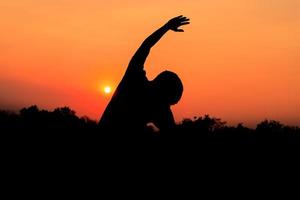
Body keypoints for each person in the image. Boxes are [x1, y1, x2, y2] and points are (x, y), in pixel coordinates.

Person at [99, 15, 190, 135]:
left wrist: (166, 27)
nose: (167, 106)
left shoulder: (160, 108)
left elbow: (145, 47)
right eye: (168, 102)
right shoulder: (134, 80)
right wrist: (166, 27)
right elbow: (145, 47)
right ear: (161, 90)